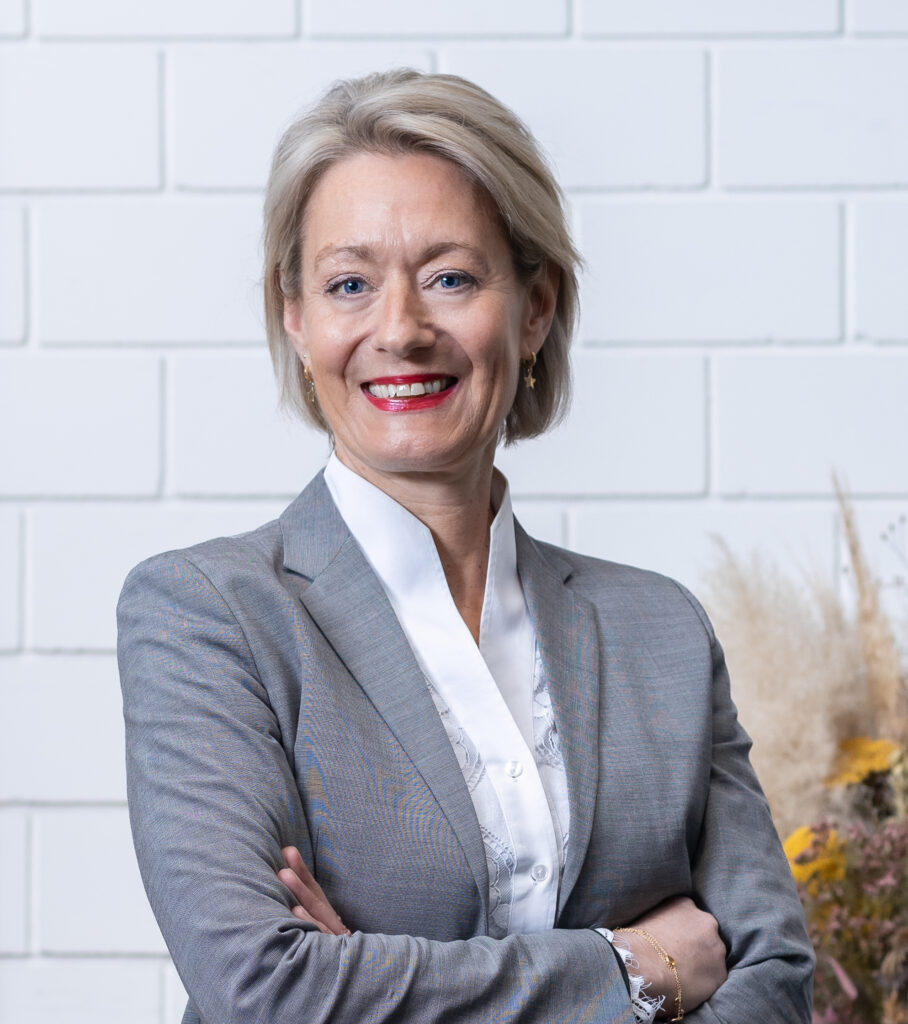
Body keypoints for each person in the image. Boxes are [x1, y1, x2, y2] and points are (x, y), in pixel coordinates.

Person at [118, 69, 814, 1023]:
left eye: (450, 278)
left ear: (535, 308)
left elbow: (773, 976)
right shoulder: (210, 616)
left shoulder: (662, 631)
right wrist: (637, 968)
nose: (401, 330)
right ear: (296, 317)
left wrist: (372, 978)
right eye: (349, 284)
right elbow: (266, 988)